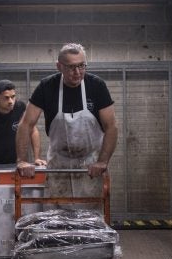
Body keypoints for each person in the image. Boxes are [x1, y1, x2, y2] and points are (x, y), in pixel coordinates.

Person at [15, 43, 118, 201]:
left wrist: (102, 162)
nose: (77, 72)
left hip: (90, 167)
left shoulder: (96, 86)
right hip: (58, 165)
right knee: (56, 216)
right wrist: (22, 161)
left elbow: (111, 127)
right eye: (71, 67)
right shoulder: (47, 86)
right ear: (59, 66)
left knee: (89, 219)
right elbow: (26, 124)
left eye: (81, 66)